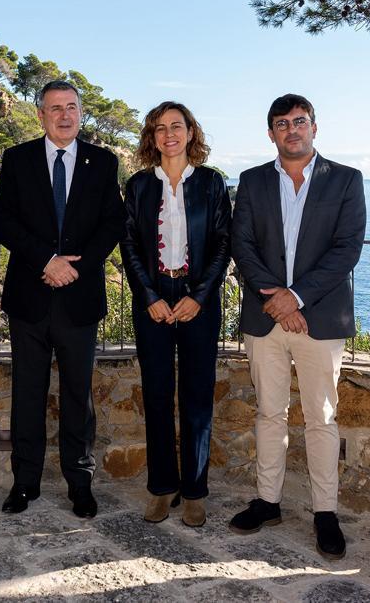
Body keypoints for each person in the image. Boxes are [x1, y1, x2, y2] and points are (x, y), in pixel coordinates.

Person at [229, 94, 366, 559]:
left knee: (321, 417)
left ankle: (324, 512)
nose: (292, 130)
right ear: (271, 133)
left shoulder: (346, 180)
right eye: (282, 123)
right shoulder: (250, 182)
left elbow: (347, 248)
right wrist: (278, 300)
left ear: (314, 127)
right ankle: (268, 502)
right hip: (266, 318)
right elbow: (242, 244)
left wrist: (298, 296)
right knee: (269, 413)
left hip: (319, 319)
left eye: (300, 121)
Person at [0, 80, 125, 518]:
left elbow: (112, 224)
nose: (65, 115)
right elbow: (4, 222)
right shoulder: (17, 159)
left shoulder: (103, 162)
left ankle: (80, 484)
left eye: (71, 107)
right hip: (30, 297)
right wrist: (46, 261)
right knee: (28, 395)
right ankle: (24, 483)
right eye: (55, 108)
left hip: (79, 298)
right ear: (41, 115)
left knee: (77, 397)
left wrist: (76, 268)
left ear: (80, 112)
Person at [120, 102, 231, 527]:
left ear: (190, 132)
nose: (169, 134)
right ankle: (162, 487)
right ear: (152, 136)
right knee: (158, 394)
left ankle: (196, 491)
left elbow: (224, 242)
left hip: (198, 299)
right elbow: (128, 243)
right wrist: (148, 294)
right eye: (160, 128)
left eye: (177, 126)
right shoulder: (139, 186)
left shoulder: (211, 184)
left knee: (198, 397)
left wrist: (200, 295)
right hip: (152, 299)